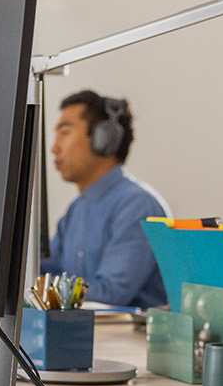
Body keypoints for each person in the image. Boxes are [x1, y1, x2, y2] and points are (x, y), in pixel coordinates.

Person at [41, 90, 170, 308]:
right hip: (84, 336)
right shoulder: (76, 208)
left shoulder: (138, 206)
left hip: (128, 340)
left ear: (104, 139)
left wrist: (41, 287)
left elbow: (110, 294)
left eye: (64, 133)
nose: (54, 148)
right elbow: (47, 269)